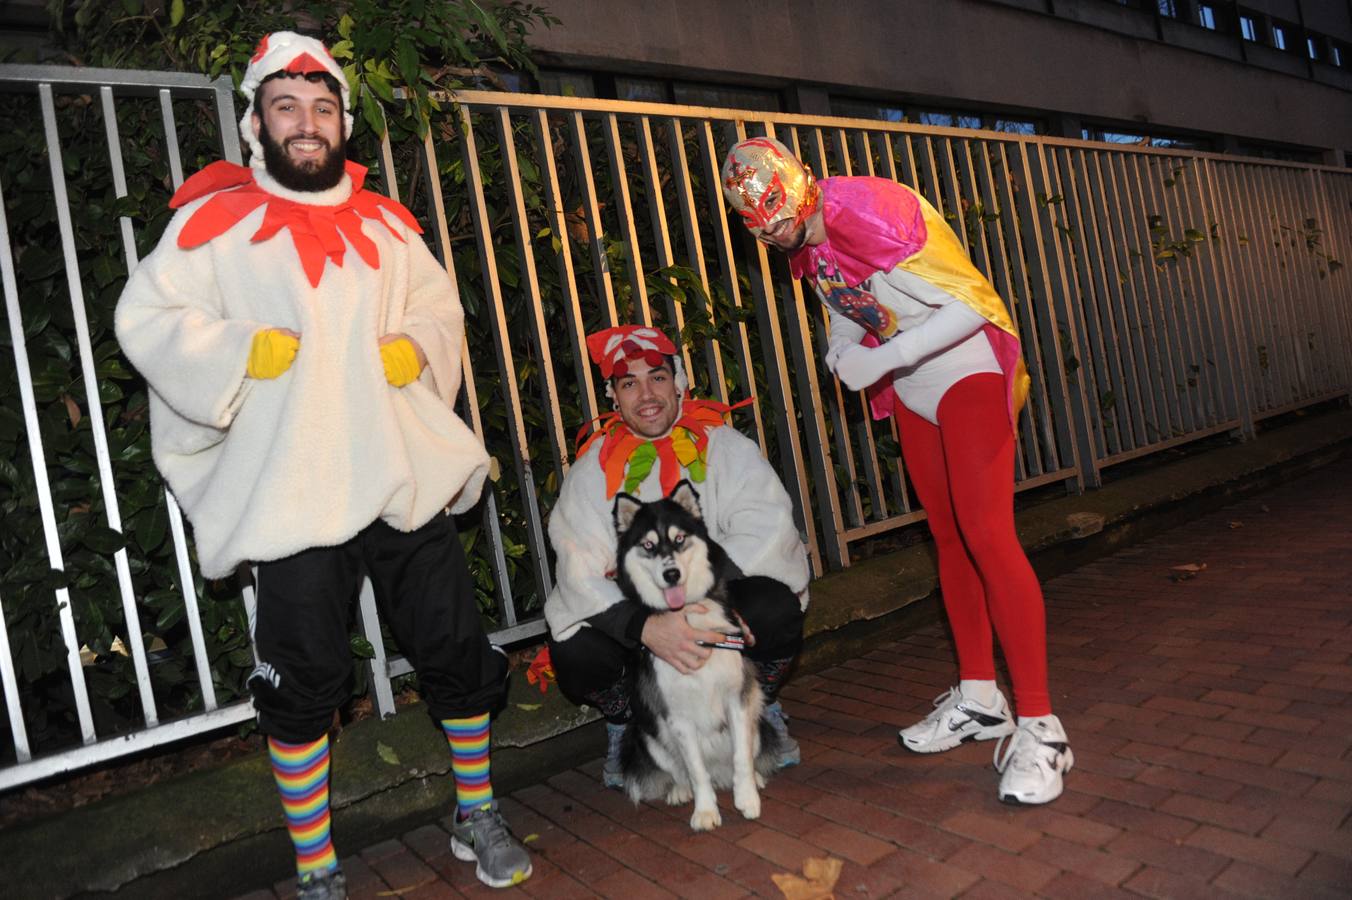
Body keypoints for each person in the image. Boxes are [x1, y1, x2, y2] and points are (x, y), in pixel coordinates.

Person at [115, 31, 531, 897]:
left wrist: (417, 349)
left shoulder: (388, 224)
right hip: (293, 487)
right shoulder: (209, 223)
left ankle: (475, 813)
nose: (307, 124)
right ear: (256, 121)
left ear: (342, 120)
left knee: (455, 645)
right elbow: (147, 317)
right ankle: (316, 867)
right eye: (286, 107)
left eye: (322, 107)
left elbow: (438, 307)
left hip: (399, 473)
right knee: (303, 678)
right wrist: (232, 352)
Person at [721, 137, 1073, 805]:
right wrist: (842, 352)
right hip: (914, 391)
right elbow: (846, 309)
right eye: (756, 226)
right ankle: (979, 697)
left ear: (796, 186)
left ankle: (1042, 726)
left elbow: (972, 303)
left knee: (990, 537)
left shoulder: (880, 209)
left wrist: (883, 361)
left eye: (773, 214)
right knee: (948, 538)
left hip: (965, 371)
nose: (769, 233)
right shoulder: (809, 239)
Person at [544, 325, 811, 787]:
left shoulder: (727, 448)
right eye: (629, 383)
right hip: (644, 634)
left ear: (679, 383)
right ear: (613, 396)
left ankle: (757, 703)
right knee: (575, 650)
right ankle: (628, 719)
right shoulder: (592, 472)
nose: (646, 394)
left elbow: (766, 528)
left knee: (775, 606)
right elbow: (578, 569)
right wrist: (647, 626)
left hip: (719, 609)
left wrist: (697, 606)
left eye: (657, 378)